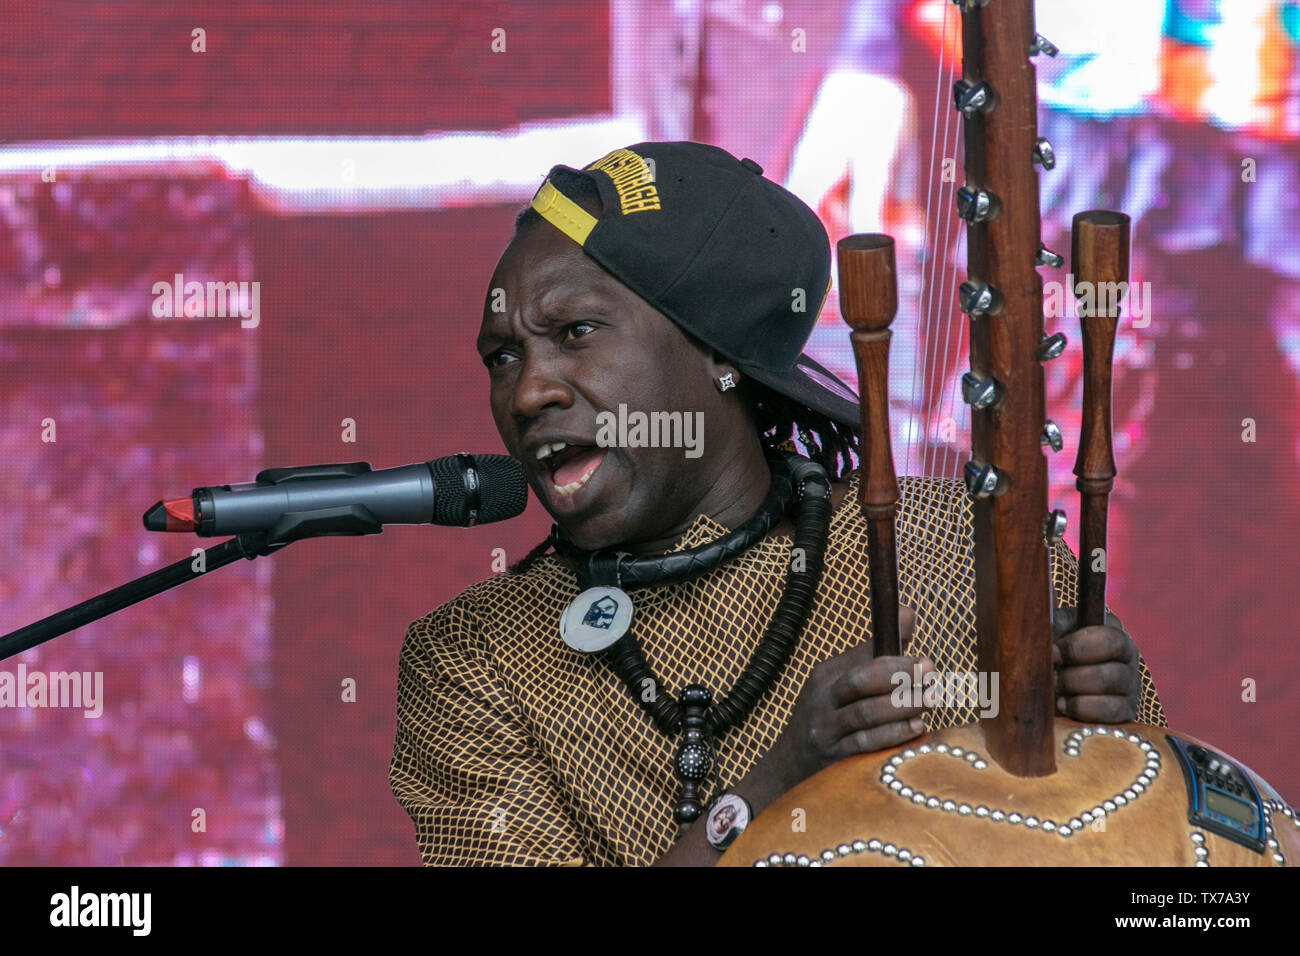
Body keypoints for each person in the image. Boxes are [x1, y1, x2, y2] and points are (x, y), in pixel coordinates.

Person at [388, 141, 1165, 867]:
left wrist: (1112, 735)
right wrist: (780, 781)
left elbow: (1152, 851)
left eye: (576, 331)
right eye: (503, 355)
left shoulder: (957, 542)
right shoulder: (471, 657)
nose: (526, 392)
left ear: (719, 352)